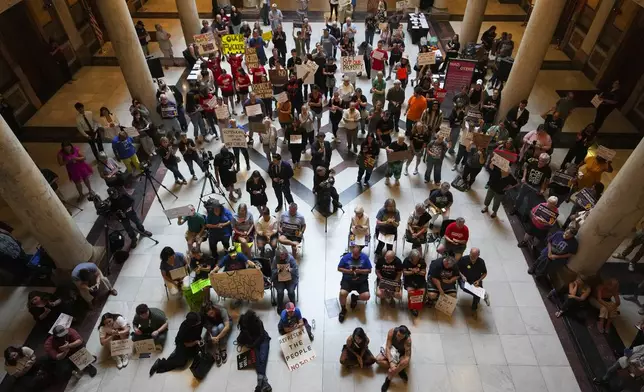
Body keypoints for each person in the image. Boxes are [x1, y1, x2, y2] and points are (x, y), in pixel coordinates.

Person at [235, 310, 272, 392]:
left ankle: (259, 384)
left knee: (263, 358)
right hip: (253, 342)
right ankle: (265, 383)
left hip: (263, 340)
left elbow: (261, 336)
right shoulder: (244, 324)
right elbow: (240, 338)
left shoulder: (259, 322)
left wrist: (252, 345)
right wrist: (245, 333)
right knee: (257, 360)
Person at [338, 245, 372, 322]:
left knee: (366, 296)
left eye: (356, 255)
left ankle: (355, 298)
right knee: (342, 293)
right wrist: (348, 271)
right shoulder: (346, 257)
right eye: (353, 254)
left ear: (360, 253)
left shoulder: (365, 258)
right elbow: (339, 268)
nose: (354, 256)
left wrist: (360, 271)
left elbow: (369, 270)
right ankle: (343, 309)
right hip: (348, 280)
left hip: (361, 281)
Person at [511, 153, 552, 217]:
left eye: (543, 161)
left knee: (531, 202)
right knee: (519, 198)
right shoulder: (533, 162)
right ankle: (515, 208)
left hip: (536, 187)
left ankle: (526, 214)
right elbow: (526, 168)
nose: (540, 162)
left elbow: (547, 180)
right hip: (526, 184)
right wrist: (524, 177)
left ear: (546, 162)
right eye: (540, 160)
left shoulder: (548, 169)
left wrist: (543, 189)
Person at [376, 326, 411, 391]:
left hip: (401, 354)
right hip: (392, 349)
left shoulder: (408, 340)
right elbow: (387, 347)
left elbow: (407, 357)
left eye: (401, 336)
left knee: (405, 363)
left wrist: (393, 370)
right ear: (397, 331)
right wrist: (391, 362)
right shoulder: (391, 332)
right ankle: (400, 370)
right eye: (398, 335)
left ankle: (388, 379)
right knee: (378, 360)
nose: (399, 337)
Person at [458, 248, 489, 316]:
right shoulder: (464, 259)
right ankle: (482, 293)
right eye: (471, 255)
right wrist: (462, 276)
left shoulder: (481, 262)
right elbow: (457, 269)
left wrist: (479, 280)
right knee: (464, 287)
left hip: (476, 280)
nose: (472, 257)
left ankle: (474, 308)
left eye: (474, 256)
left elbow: (485, 273)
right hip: (464, 279)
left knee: (476, 294)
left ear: (478, 255)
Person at [201, 302, 231, 366]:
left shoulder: (222, 310)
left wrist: (218, 337)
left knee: (221, 327)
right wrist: (211, 337)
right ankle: (217, 351)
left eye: (212, 313)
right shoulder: (205, 315)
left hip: (224, 324)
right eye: (209, 314)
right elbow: (207, 328)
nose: (211, 315)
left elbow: (227, 326)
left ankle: (223, 348)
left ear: (213, 308)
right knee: (214, 329)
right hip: (214, 326)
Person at [272, 246, 299, 311]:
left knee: (291, 291)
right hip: (279, 279)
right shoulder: (275, 259)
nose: (282, 256)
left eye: (284, 254)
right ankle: (280, 306)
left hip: (291, 279)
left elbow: (296, 270)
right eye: (281, 255)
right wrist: (277, 271)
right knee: (280, 292)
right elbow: (272, 271)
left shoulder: (291, 258)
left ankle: (293, 305)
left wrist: (290, 270)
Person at [402, 250, 426, 317]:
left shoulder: (422, 261)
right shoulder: (406, 261)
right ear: (411, 258)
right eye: (415, 259)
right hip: (409, 279)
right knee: (411, 292)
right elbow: (404, 273)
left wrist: (417, 272)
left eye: (417, 259)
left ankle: (418, 304)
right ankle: (412, 307)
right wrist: (413, 272)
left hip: (420, 279)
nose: (416, 261)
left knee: (422, 292)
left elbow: (424, 273)